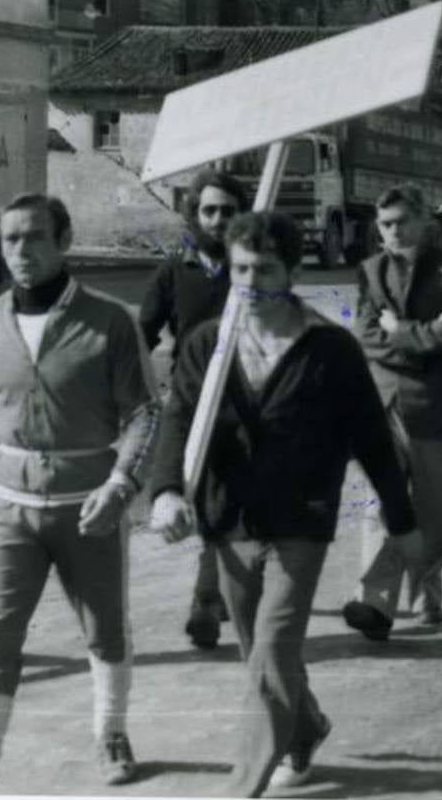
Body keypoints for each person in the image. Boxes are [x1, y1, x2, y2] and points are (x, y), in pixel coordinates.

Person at [147, 211, 419, 797]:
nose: (251, 281)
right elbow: (177, 420)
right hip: (231, 517)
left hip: (302, 517)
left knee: (273, 646)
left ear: (293, 272)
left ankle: (244, 784)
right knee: (260, 653)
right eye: (241, 267)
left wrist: (400, 517)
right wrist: (167, 490)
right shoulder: (207, 344)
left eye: (265, 268)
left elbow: (372, 436)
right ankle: (308, 729)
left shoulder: (330, 348)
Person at [0, 195, 159, 794]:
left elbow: (145, 412)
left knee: (104, 629)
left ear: (63, 240)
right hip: (9, 508)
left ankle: (111, 732)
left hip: (89, 505)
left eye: (35, 237)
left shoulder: (110, 320)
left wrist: (121, 486)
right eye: (10, 240)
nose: (21, 251)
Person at [345, 186, 442, 637]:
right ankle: (377, 605)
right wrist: (417, 340)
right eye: (386, 224)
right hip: (382, 403)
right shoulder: (369, 271)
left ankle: (426, 589)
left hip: (438, 406)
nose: (395, 231)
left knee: (436, 512)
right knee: (381, 504)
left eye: (403, 220)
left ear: (424, 219)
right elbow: (365, 334)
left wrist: (398, 332)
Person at [138, 169, 245, 651]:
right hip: (190, 398)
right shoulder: (174, 271)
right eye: (210, 211)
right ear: (195, 215)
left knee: (230, 498)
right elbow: (144, 334)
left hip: (245, 399)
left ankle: (207, 598)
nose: (219, 220)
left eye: (228, 211)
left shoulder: (251, 269)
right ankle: (214, 588)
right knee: (201, 498)